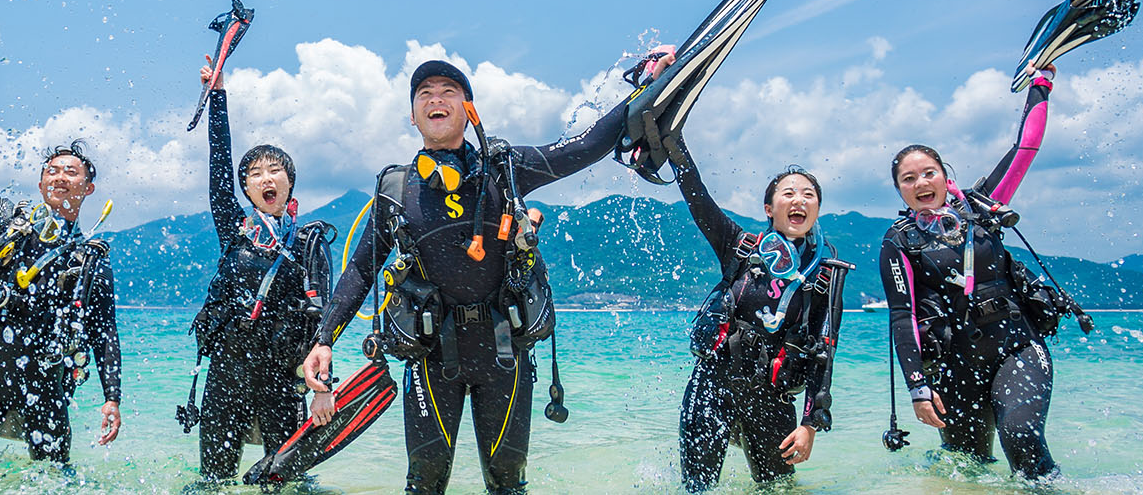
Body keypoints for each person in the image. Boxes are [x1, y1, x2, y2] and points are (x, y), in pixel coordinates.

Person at [300, 60, 627, 495]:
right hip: (430, 358)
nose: (436, 98)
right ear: (413, 114)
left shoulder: (505, 169)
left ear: (468, 108)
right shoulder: (395, 191)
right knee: (424, 484)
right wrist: (324, 340)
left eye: (448, 90)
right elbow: (361, 269)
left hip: (504, 354)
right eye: (424, 93)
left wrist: (647, 88)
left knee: (508, 485)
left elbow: (582, 149)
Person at [878, 65, 1062, 479]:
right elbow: (902, 317)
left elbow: (1025, 150)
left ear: (945, 176)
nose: (921, 182)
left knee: (1022, 439)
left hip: (1015, 347)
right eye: (909, 179)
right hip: (953, 367)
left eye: (929, 172)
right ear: (900, 191)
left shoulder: (982, 206)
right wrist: (918, 388)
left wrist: (1041, 86)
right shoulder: (899, 241)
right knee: (966, 467)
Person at [0, 58, 123, 470]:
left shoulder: (90, 259)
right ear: (41, 184)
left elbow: (105, 333)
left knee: (57, 481)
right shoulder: (9, 223)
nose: (60, 177)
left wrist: (112, 397)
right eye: (52, 171)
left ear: (88, 187)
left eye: (72, 172)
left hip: (46, 384)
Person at [665, 136, 847, 492]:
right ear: (769, 208)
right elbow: (697, 198)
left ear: (817, 210)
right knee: (697, 489)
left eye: (809, 195)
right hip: (711, 386)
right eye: (789, 193)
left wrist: (810, 423)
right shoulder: (740, 247)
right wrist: (673, 142)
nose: (799, 200)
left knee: (776, 489)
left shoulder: (825, 275)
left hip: (772, 399)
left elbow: (825, 352)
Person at [186, 67, 338, 485]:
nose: (265, 178)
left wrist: (322, 387)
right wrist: (217, 97)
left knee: (286, 484)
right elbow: (218, 168)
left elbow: (324, 320)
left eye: (275, 171)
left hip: (281, 379)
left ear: (289, 183)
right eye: (255, 174)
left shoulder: (309, 242)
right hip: (226, 373)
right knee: (212, 482)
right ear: (247, 190)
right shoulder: (234, 229)